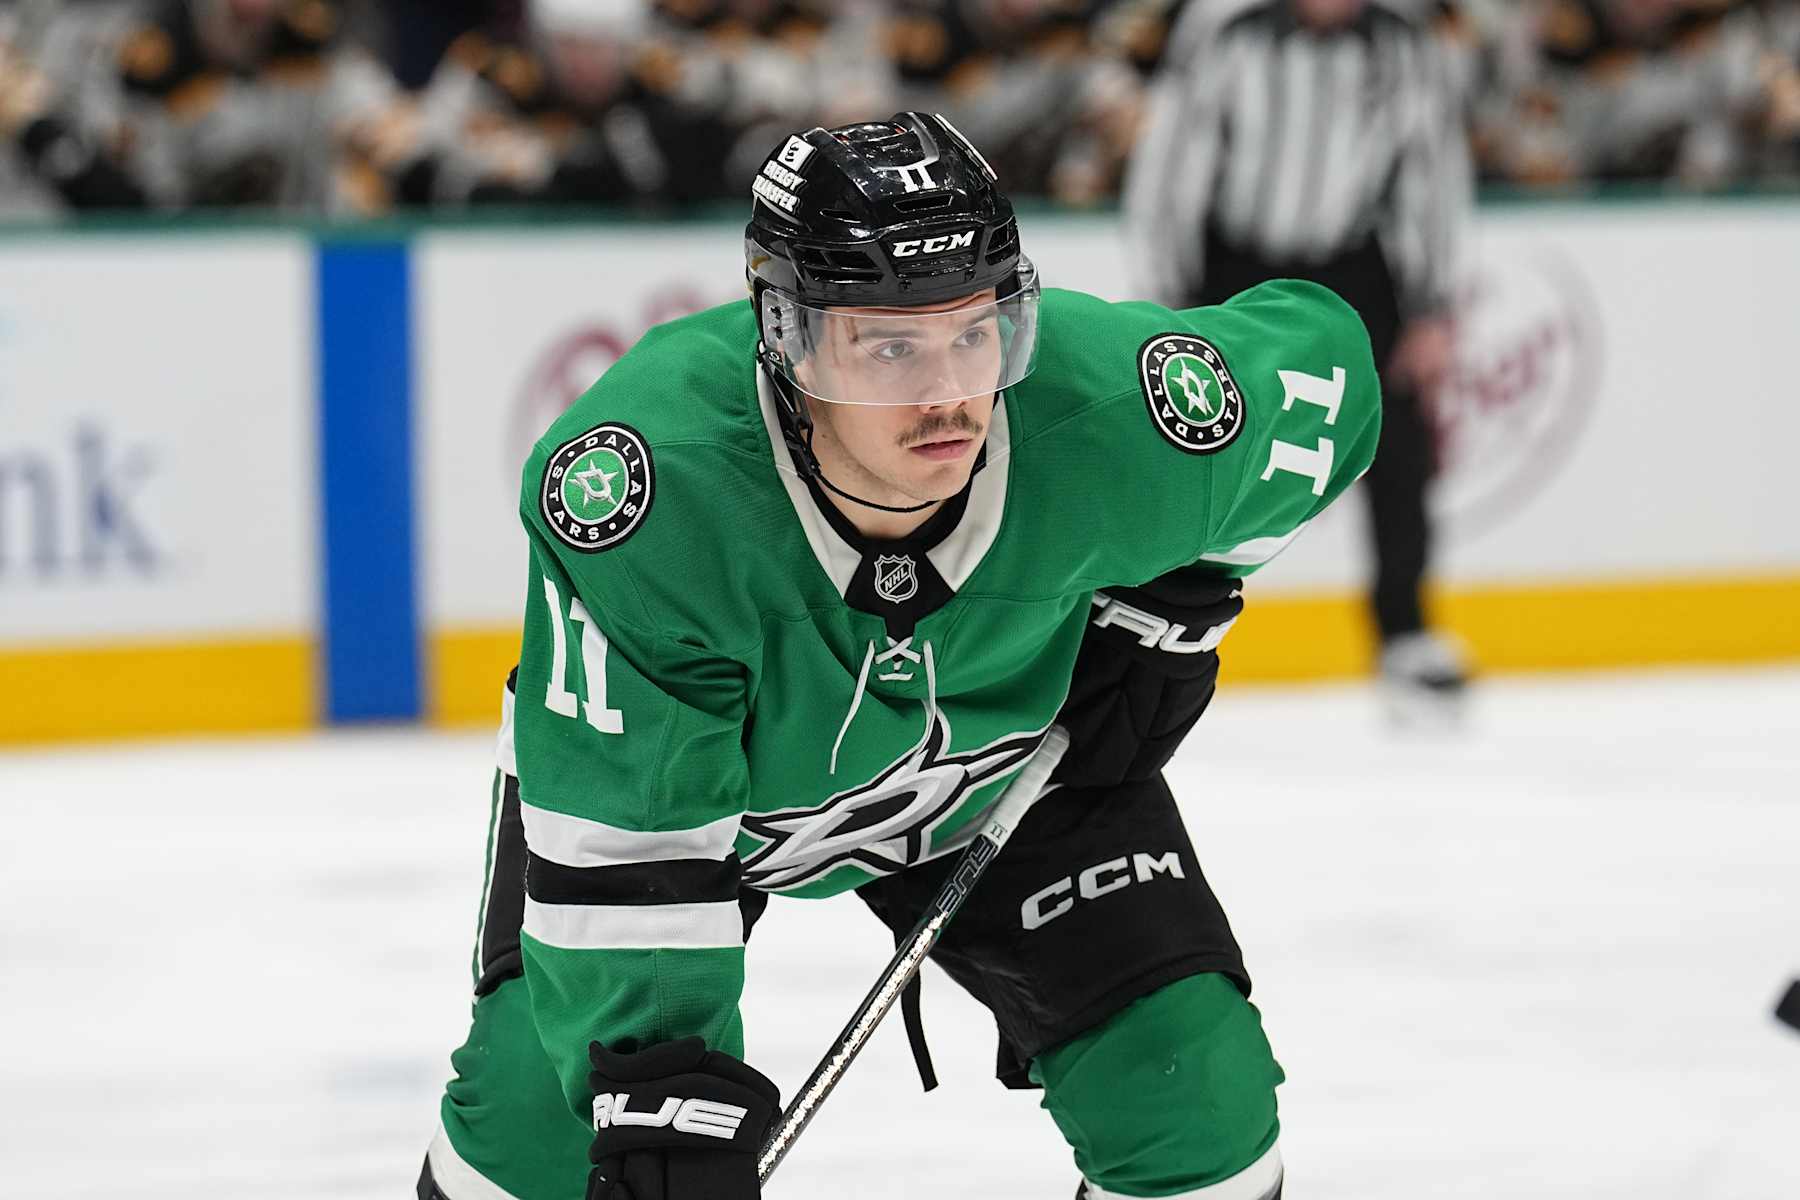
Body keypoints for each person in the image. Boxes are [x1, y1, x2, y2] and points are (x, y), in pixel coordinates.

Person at [419, 111, 1381, 1200]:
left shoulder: (1118, 410)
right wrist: (660, 1089)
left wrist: (1180, 591)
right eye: (888, 347)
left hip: (1008, 761)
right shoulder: (649, 492)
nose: (946, 397)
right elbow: (627, 846)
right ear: (785, 335)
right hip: (692, 812)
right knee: (546, 1124)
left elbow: (1327, 376)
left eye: (977, 336)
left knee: (1191, 1095)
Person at [1124, 0, 1473, 720]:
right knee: (1194, 450)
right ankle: (1148, 630)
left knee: (1400, 448)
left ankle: (1405, 635)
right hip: (1233, 263)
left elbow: (1429, 169)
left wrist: (1432, 306)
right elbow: (1174, 161)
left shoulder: (1402, 42)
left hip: (1353, 265)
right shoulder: (1228, 30)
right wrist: (1167, 302)